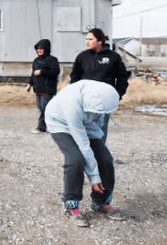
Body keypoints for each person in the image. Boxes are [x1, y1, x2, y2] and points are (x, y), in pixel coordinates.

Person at [45, 80, 126, 227]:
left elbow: (98, 124)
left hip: (85, 124)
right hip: (60, 123)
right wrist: (94, 177)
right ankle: (70, 205)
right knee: (75, 160)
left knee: (105, 159)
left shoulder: (102, 97)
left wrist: (100, 154)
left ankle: (100, 202)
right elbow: (83, 144)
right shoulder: (72, 104)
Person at [69, 28, 129, 143]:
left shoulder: (113, 57)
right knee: (83, 128)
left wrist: (116, 95)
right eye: (86, 39)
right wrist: (75, 96)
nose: (87, 42)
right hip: (85, 101)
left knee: (100, 130)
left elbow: (122, 78)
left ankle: (100, 157)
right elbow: (74, 78)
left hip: (103, 101)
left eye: (90, 39)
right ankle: (86, 156)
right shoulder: (82, 57)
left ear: (100, 41)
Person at [27, 39, 60, 133]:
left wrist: (42, 72)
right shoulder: (36, 60)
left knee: (45, 109)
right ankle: (52, 125)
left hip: (48, 89)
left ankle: (41, 127)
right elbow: (33, 74)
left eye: (41, 48)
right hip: (38, 89)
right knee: (41, 108)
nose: (39, 50)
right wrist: (30, 84)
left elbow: (55, 72)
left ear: (46, 49)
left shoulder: (52, 60)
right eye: (37, 49)